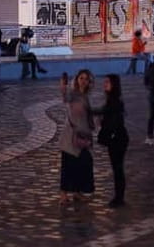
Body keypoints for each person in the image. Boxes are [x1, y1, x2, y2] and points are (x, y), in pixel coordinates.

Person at [59, 69, 95, 205]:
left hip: (83, 136)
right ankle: (63, 194)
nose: (83, 81)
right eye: (81, 78)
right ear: (77, 79)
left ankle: (77, 192)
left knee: (83, 164)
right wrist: (63, 88)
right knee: (68, 165)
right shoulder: (73, 94)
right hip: (71, 136)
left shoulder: (86, 96)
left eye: (86, 79)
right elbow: (65, 98)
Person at [94, 74, 129, 208]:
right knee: (117, 168)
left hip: (117, 139)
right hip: (117, 138)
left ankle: (119, 198)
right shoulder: (112, 100)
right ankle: (119, 196)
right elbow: (103, 111)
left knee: (118, 168)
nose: (105, 84)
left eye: (107, 82)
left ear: (114, 84)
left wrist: (104, 125)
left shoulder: (115, 101)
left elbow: (113, 121)